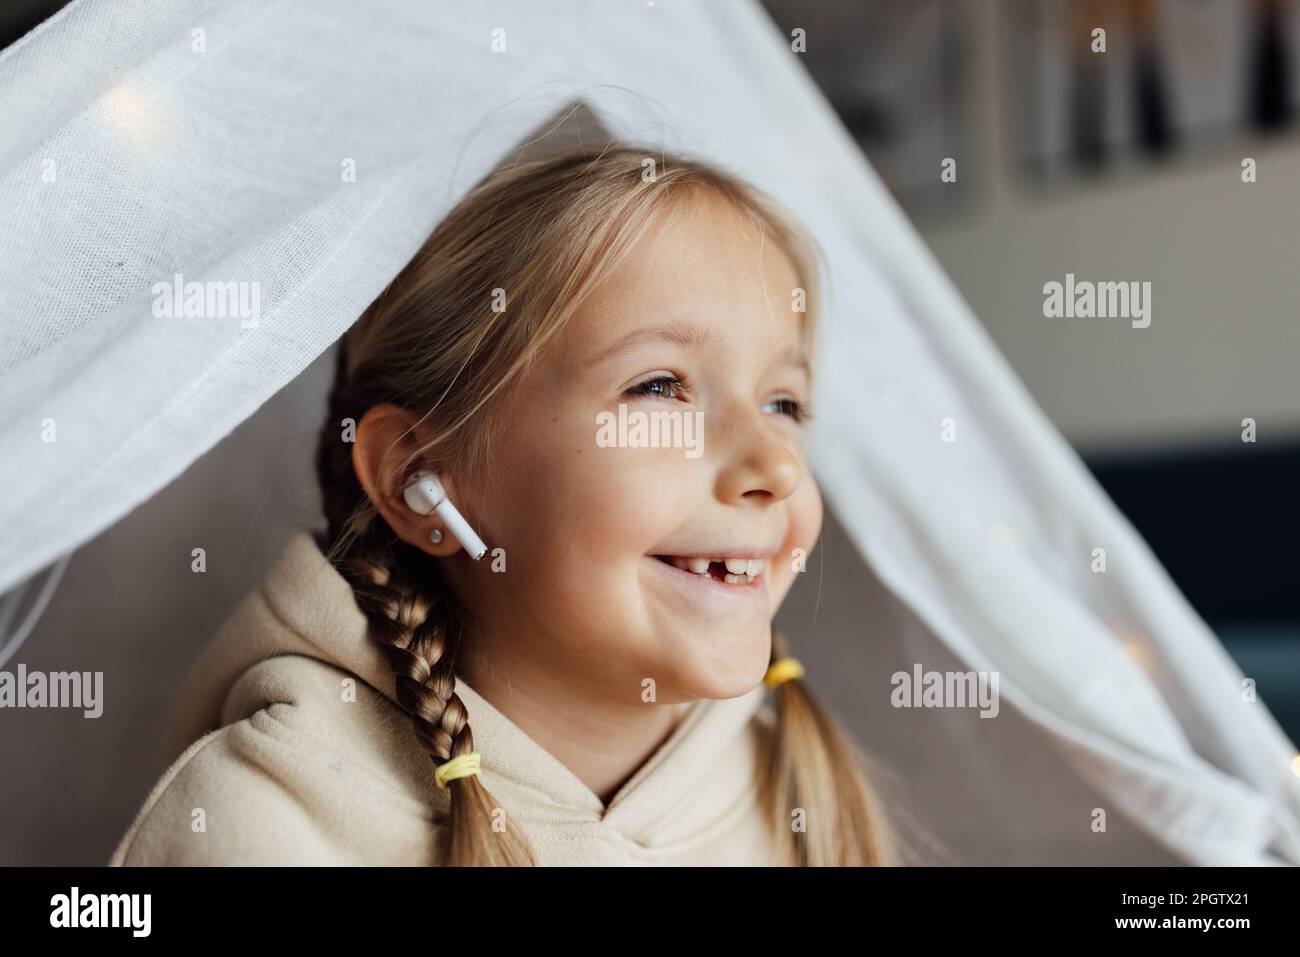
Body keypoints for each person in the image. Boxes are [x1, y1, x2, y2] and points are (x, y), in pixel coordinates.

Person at [110, 144, 904, 866]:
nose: (776, 466)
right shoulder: (261, 824)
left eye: (785, 404)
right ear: (424, 478)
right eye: (660, 386)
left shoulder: (791, 793)